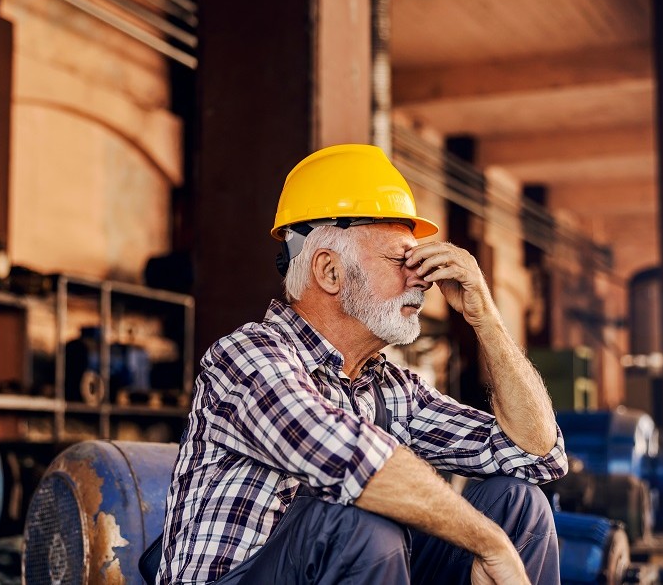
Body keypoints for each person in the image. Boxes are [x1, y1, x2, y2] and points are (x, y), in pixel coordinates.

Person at [157, 145, 567, 584]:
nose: (422, 278)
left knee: (517, 504)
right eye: (400, 260)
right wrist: (489, 543)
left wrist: (485, 318)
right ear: (330, 272)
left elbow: (536, 455)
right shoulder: (246, 357)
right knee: (358, 522)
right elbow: (351, 464)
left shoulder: (390, 389)